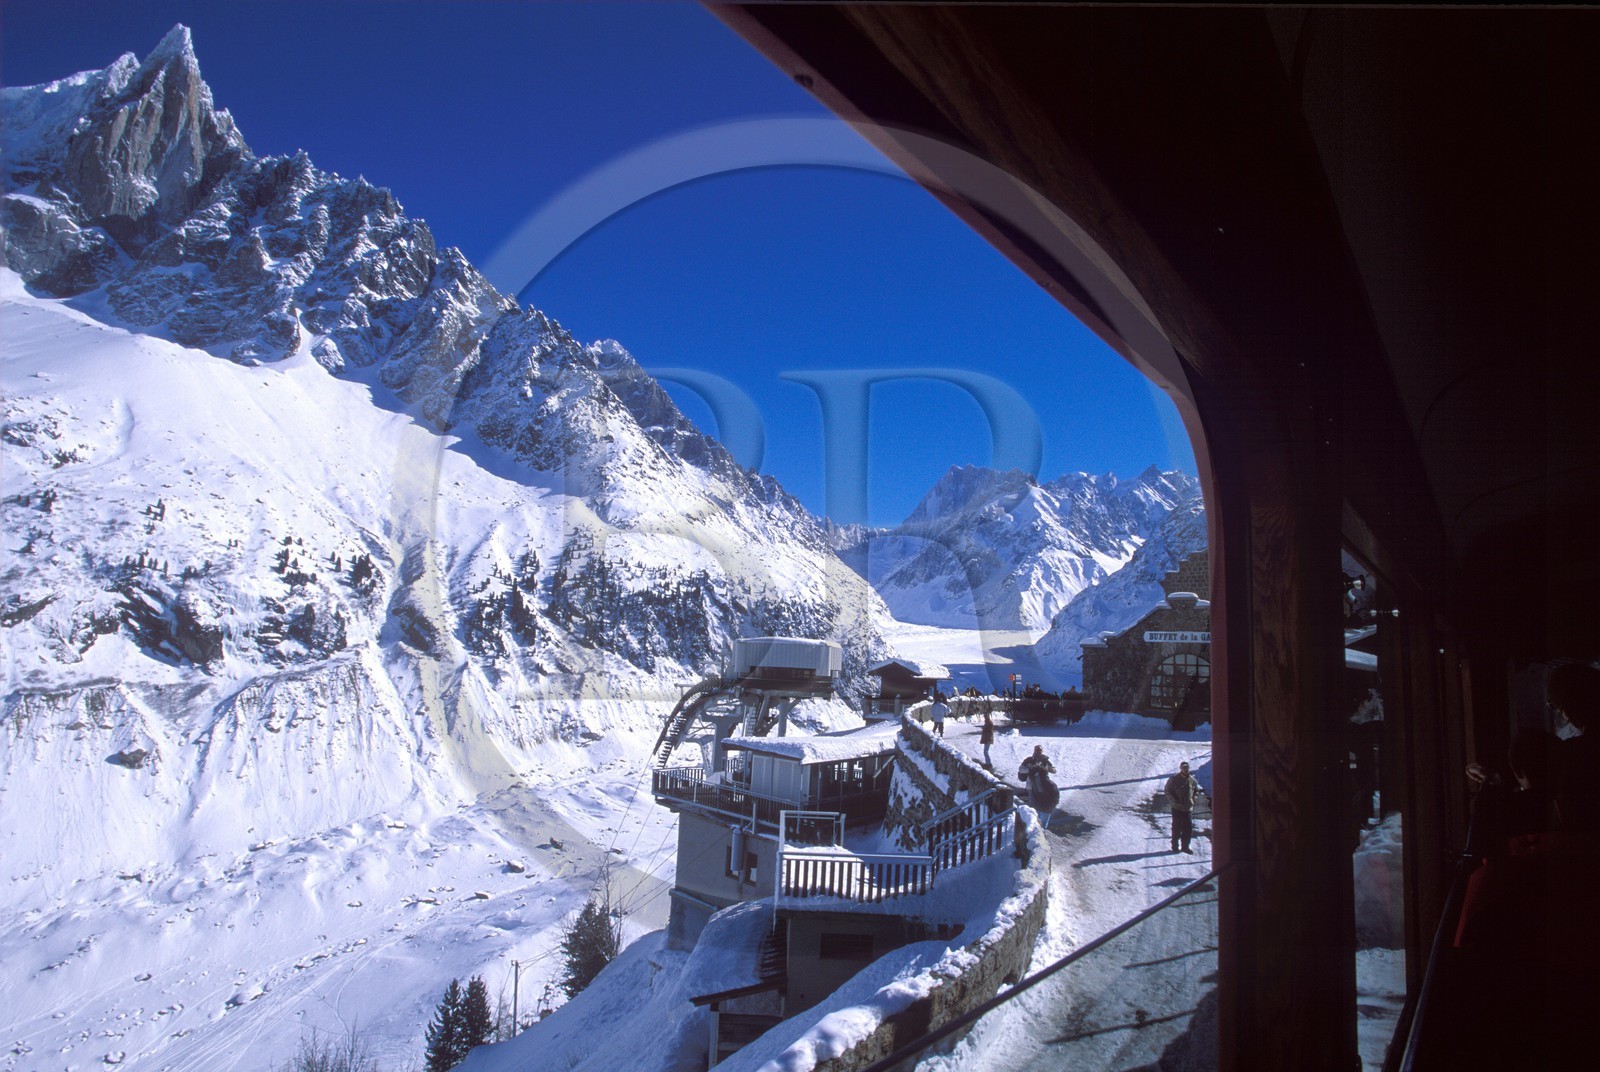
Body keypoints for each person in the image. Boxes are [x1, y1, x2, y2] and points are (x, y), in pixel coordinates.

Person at [1164, 761, 1205, 853]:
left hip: (1187, 808)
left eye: (1187, 767)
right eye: (1184, 767)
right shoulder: (1174, 779)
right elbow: (1167, 790)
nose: (1185, 769)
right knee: (1176, 828)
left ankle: (1185, 847)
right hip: (1177, 808)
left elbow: (1196, 791)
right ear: (1180, 768)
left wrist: (1194, 799)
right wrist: (1174, 801)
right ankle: (1175, 847)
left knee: (1188, 828)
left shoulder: (1192, 780)